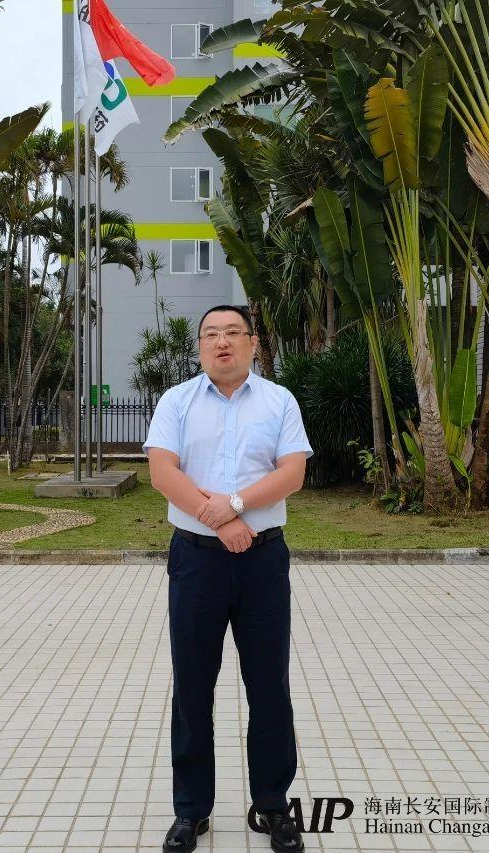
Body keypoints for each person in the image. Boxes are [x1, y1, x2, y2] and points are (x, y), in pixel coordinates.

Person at [143, 304, 312, 853]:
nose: (223, 342)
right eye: (212, 334)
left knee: (269, 686)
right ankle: (191, 811)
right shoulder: (176, 401)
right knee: (193, 686)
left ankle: (272, 806)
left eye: (233, 333)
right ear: (199, 347)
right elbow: (162, 471)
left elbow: (292, 472)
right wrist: (218, 520)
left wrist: (234, 507)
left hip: (263, 561)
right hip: (196, 562)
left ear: (253, 343)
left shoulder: (279, 400)